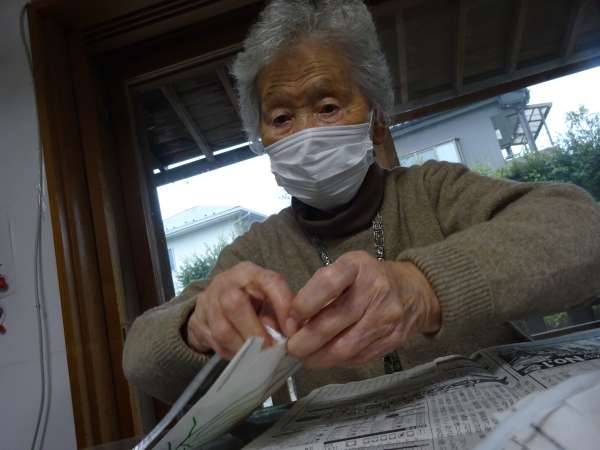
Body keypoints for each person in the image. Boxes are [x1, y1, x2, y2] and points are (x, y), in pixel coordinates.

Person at [123, 0, 600, 404]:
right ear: (262, 139)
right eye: (282, 117)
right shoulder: (257, 252)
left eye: (328, 107)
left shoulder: (434, 191)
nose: (306, 134)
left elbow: (581, 227)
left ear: (375, 122)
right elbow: (140, 358)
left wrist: (422, 287)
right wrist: (197, 326)